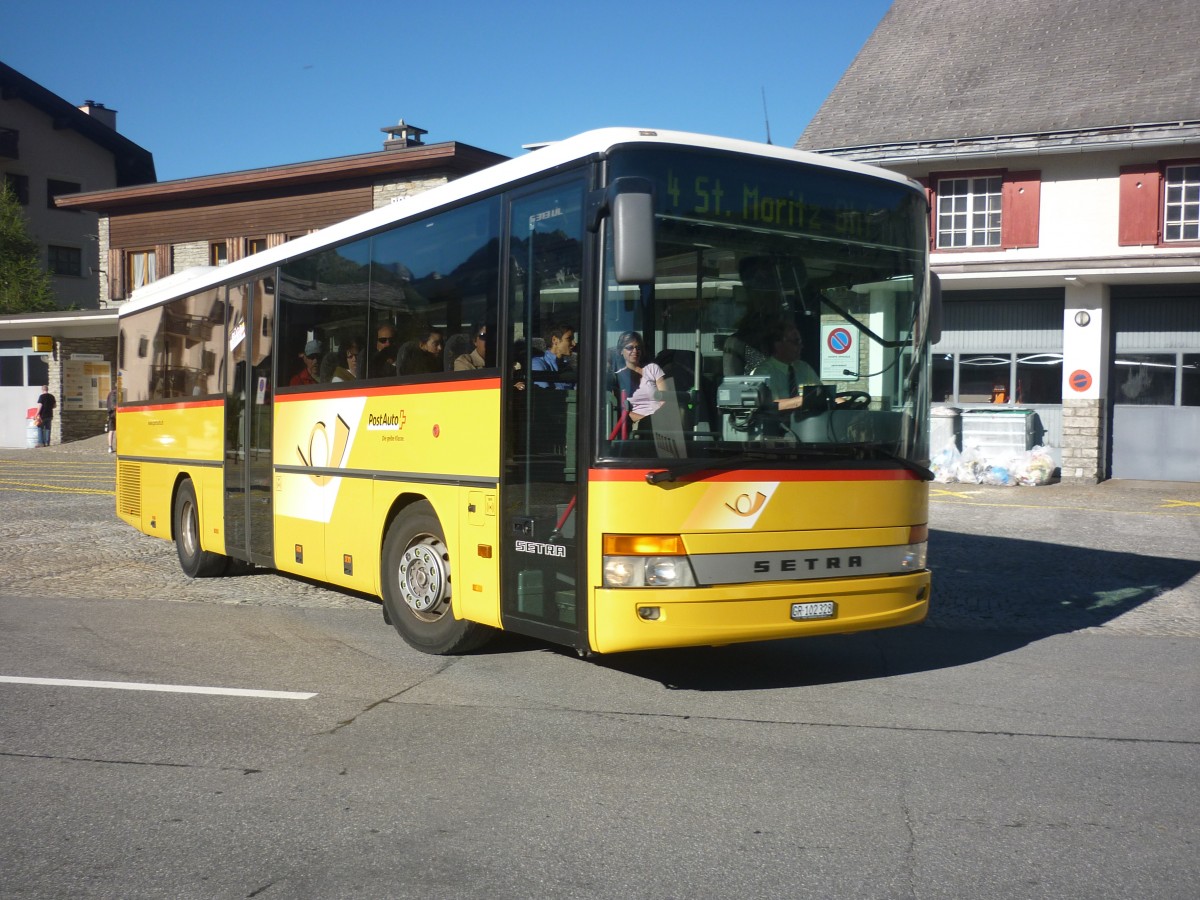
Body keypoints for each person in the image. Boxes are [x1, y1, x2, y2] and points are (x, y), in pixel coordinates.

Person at [750, 319, 819, 412]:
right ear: (778, 344)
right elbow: (767, 405)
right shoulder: (763, 372)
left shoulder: (804, 368)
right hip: (776, 424)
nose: (801, 346)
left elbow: (820, 393)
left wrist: (839, 400)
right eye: (796, 342)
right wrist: (801, 400)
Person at [613, 331, 666, 422]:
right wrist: (647, 421)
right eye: (630, 348)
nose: (635, 351)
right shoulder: (617, 377)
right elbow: (623, 411)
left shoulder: (653, 369)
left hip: (661, 420)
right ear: (621, 351)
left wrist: (658, 419)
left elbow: (666, 398)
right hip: (638, 424)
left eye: (638, 348)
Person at [531, 323, 576, 389]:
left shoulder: (567, 367)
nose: (574, 344)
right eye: (569, 339)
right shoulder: (537, 363)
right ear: (555, 340)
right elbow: (544, 394)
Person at [105, 386, 117, 453]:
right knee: (113, 431)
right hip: (114, 414)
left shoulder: (110, 393)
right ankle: (111, 446)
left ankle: (110, 447)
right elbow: (114, 406)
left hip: (110, 414)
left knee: (111, 431)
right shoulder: (114, 394)